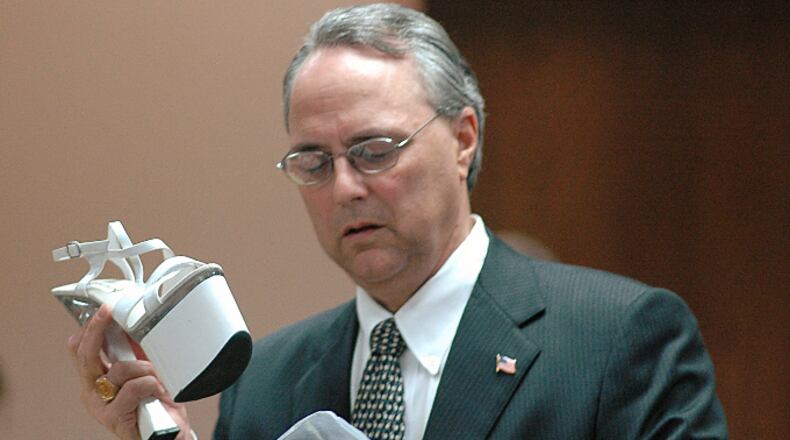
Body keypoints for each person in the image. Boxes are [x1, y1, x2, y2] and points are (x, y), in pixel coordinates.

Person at [68, 3, 728, 439]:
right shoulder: (264, 383)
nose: (346, 188)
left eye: (375, 151)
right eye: (313, 163)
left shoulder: (617, 341)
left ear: (463, 138)